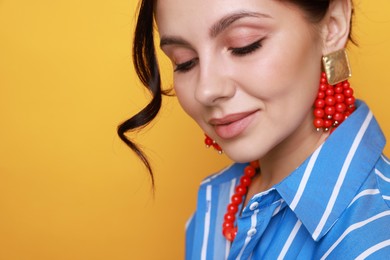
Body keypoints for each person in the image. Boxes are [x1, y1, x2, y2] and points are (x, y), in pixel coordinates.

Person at [118, 0, 390, 259]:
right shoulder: (217, 200)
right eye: (185, 61)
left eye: (244, 45)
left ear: (333, 25)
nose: (206, 90)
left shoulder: (375, 237)